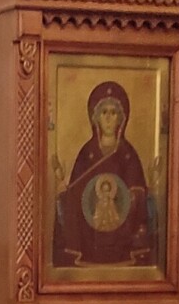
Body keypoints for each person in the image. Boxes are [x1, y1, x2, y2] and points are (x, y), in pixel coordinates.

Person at [52, 81, 155, 268]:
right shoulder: (87, 153)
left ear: (121, 118)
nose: (108, 118)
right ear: (95, 117)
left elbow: (139, 196)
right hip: (90, 241)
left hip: (123, 240)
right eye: (104, 112)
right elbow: (74, 196)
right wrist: (61, 186)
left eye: (113, 113)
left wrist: (139, 194)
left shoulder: (128, 154)